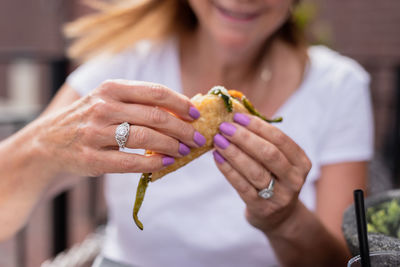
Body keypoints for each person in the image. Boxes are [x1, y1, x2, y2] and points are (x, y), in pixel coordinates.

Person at [0, 0, 373, 266]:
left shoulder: (340, 86)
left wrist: (285, 220)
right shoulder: (124, 63)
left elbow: (345, 259)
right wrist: (44, 147)